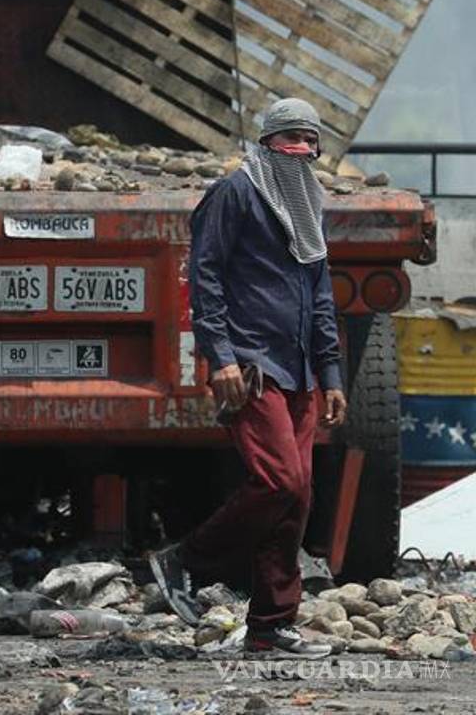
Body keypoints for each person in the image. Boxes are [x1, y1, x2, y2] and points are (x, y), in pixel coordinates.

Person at [149, 98, 348, 658]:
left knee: (297, 498)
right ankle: (186, 561)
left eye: (309, 142)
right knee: (279, 479)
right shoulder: (235, 193)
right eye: (289, 140)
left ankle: (270, 625)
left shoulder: (309, 203)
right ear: (267, 144)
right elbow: (205, 278)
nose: (300, 151)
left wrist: (331, 371)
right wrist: (222, 356)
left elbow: (321, 295)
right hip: (254, 363)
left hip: (302, 368)